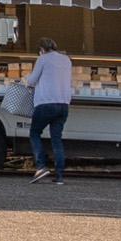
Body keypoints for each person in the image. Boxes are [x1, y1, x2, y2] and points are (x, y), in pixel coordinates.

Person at [27, 37, 74, 185]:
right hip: (63, 104)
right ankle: (59, 176)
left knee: (34, 132)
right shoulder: (66, 59)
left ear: (41, 50)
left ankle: (41, 167)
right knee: (56, 138)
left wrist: (25, 79)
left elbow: (32, 80)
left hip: (46, 103)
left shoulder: (43, 59)